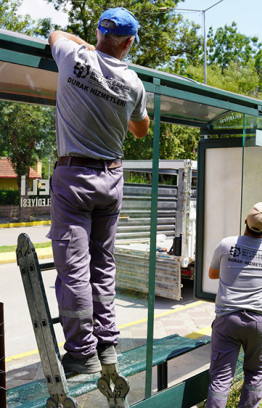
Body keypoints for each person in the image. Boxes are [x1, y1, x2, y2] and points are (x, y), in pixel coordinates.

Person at [47, 7, 149, 374]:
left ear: (98, 33)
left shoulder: (74, 56)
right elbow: (141, 130)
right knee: (103, 265)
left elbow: (55, 34)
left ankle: (81, 353)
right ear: (128, 43)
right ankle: (107, 345)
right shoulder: (133, 83)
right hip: (111, 179)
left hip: (74, 178)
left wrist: (84, 44)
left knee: (75, 268)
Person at [205, 202, 262, 408]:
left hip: (227, 319)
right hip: (258, 321)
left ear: (246, 221)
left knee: (221, 377)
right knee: (255, 372)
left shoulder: (226, 244)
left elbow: (212, 274)